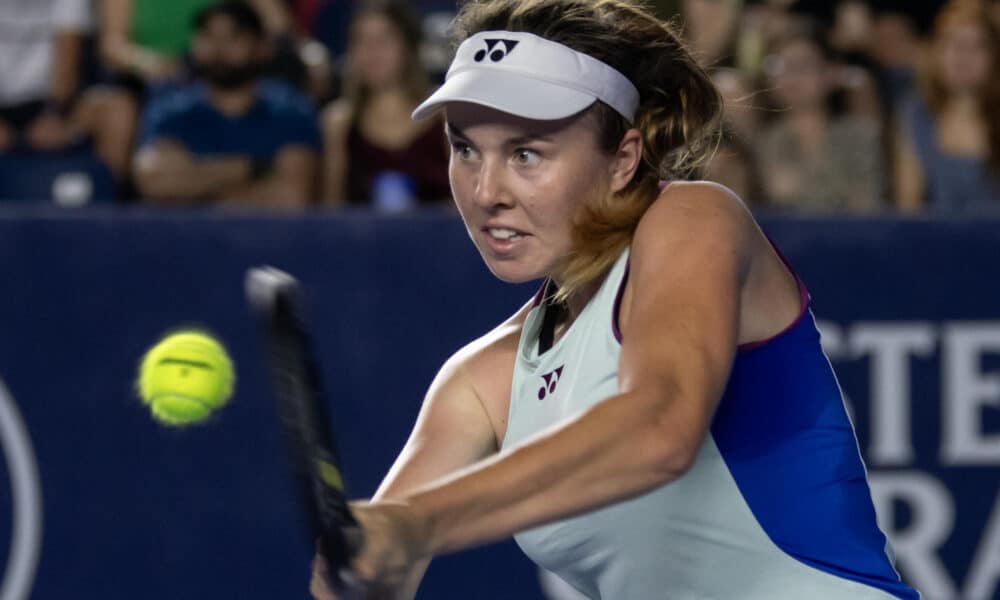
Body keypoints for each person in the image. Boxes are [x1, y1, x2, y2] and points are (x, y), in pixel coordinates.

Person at [311, 0, 920, 598]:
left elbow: (659, 428)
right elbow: (371, 571)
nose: (485, 190)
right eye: (465, 148)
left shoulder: (697, 217)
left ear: (624, 159)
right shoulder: (478, 381)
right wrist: (359, 568)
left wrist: (417, 524)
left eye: (526, 153)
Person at [133, 1, 320, 208]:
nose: (219, 49)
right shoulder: (169, 110)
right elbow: (155, 183)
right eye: (208, 36)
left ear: (262, 47)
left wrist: (193, 185)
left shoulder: (290, 111)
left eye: (234, 37)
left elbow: (291, 196)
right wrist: (251, 169)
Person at [321, 0, 451, 208]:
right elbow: (332, 211)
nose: (372, 52)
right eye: (360, 41)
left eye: (384, 40)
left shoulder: (443, 111)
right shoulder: (339, 123)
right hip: (363, 240)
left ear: (409, 47)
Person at [758, 26, 884, 213]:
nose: (791, 76)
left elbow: (867, 201)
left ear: (830, 73)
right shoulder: (764, 140)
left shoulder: (860, 136)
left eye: (803, 65)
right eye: (780, 66)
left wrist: (800, 186)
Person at [894, 0, 1000, 213]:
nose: (963, 55)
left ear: (994, 55)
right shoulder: (915, 114)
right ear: (936, 51)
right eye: (952, 43)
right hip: (937, 242)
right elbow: (907, 208)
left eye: (976, 45)